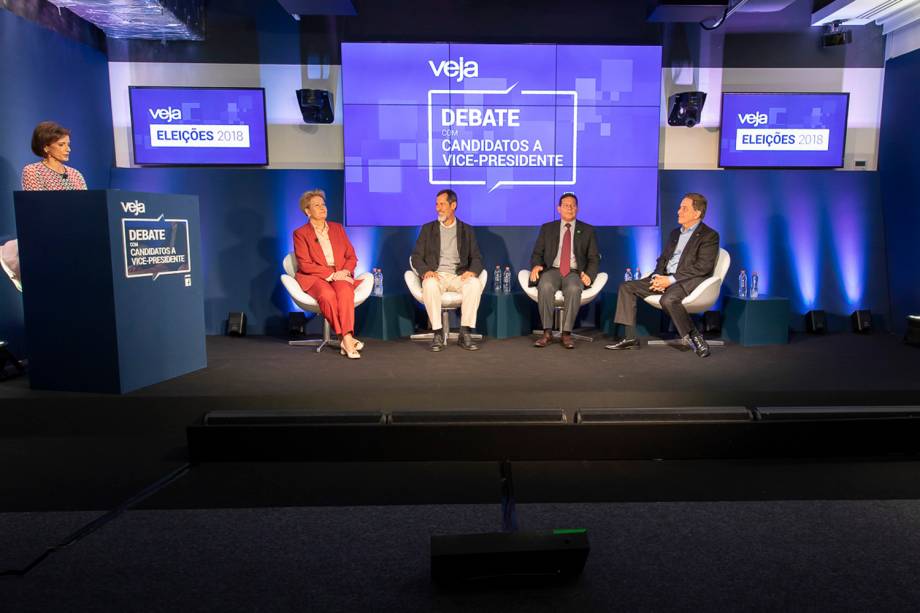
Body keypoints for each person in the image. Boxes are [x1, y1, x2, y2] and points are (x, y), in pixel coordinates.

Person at [606, 192, 719, 358]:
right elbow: (663, 259)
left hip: (685, 281)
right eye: (680, 207)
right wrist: (657, 277)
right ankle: (630, 338)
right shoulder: (675, 233)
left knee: (668, 299)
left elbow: (703, 267)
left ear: (697, 213)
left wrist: (670, 280)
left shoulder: (710, 236)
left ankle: (695, 336)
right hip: (664, 278)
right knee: (627, 287)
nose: (678, 211)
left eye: (684, 208)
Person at [2, 122, 88, 291]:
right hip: (48, 235)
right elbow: (37, 205)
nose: (68, 149)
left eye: (68, 145)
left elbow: (87, 205)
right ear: (46, 147)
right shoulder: (33, 171)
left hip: (76, 234)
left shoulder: (76, 174)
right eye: (61, 145)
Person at [292, 189, 365, 359]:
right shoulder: (300, 233)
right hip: (315, 276)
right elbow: (305, 264)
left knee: (346, 292)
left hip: (340, 273)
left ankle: (345, 338)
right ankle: (346, 338)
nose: (323, 208)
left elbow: (351, 256)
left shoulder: (337, 228)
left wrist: (345, 271)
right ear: (308, 212)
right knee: (327, 295)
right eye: (317, 205)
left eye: (323, 204)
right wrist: (332, 275)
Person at [410, 189, 484, 352]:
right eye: (437, 204)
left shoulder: (467, 230)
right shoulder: (428, 229)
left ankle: (465, 333)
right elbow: (416, 257)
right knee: (428, 284)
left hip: (459, 275)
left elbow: (477, 258)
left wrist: (472, 272)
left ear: (453, 205)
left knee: (474, 284)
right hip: (438, 275)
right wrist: (425, 271)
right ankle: (437, 333)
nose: (438, 208)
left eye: (442, 204)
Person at [529, 192, 600, 349]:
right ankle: (547, 332)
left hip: (574, 272)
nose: (570, 208)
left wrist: (589, 274)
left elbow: (594, 258)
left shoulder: (587, 230)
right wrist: (536, 265)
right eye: (566, 205)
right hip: (552, 270)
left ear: (578, 209)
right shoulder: (548, 228)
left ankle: (566, 333)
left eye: (573, 205)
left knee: (574, 289)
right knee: (545, 286)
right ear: (559, 208)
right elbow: (537, 253)